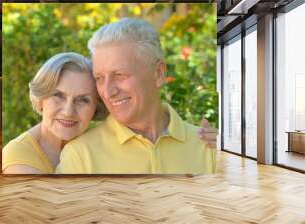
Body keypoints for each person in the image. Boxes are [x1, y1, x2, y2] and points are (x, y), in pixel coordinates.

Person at [56, 18, 217, 174]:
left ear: (158, 73)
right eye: (99, 78)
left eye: (119, 75)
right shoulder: (80, 157)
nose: (107, 92)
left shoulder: (208, 147)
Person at [2, 52, 99, 174]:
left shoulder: (99, 149)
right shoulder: (17, 156)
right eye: (58, 95)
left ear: (96, 108)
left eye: (83, 100)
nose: (68, 112)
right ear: (41, 99)